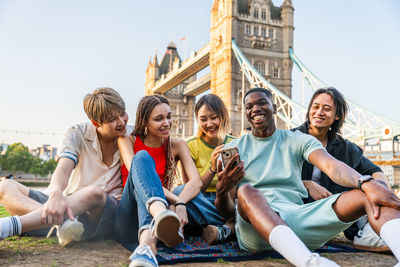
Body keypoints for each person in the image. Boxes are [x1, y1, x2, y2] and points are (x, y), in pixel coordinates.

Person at [215, 87, 400, 267]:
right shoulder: (232, 150)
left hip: (296, 219)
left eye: (262, 103)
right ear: (245, 112)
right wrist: (222, 191)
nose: (255, 109)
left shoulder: (297, 139)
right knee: (247, 192)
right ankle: (310, 262)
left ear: (275, 108)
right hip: (255, 229)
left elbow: (331, 166)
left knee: (373, 191)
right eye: (249, 106)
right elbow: (228, 213)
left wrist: (366, 183)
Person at [0, 87, 128, 246]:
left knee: (94, 193)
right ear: (96, 123)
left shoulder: (132, 137)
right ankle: (65, 224)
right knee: (4, 186)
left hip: (104, 211)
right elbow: (64, 168)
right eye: (112, 119)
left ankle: (7, 227)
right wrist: (55, 193)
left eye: (122, 114)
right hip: (72, 202)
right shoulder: (78, 133)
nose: (121, 122)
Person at [115, 95, 227, 267]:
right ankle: (160, 216)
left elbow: (195, 183)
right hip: (130, 216)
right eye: (159, 119)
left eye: (169, 117)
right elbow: (140, 179)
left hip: (165, 215)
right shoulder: (127, 140)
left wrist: (179, 202)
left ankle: (146, 248)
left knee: (181, 190)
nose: (166, 123)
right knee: (142, 158)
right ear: (144, 121)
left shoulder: (177, 144)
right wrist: (176, 202)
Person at [292, 87, 389, 252]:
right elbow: (271, 178)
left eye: (327, 108)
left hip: (331, 213)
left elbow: (374, 170)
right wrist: (306, 184)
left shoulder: (345, 148)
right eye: (315, 107)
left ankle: (368, 234)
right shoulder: (289, 139)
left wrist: (381, 190)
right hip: (296, 210)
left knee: (371, 184)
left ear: (337, 116)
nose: (319, 112)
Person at [185, 94, 236, 244]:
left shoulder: (235, 143)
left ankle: (214, 226)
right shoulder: (190, 145)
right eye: (203, 119)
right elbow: (190, 190)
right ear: (197, 120)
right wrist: (212, 168)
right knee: (181, 196)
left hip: (227, 199)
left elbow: (235, 184)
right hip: (201, 200)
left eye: (214, 117)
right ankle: (229, 227)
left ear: (223, 116)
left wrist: (230, 208)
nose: (209, 124)